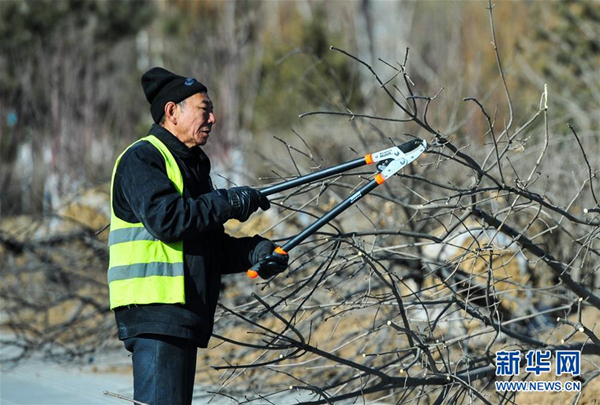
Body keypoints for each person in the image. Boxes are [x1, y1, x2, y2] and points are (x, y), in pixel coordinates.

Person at [107, 67, 288, 405]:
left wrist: (254, 250)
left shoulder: (192, 164)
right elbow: (169, 220)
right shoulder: (142, 159)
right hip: (155, 313)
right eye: (205, 109)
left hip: (180, 316)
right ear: (172, 112)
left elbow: (206, 244)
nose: (213, 118)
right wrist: (228, 202)